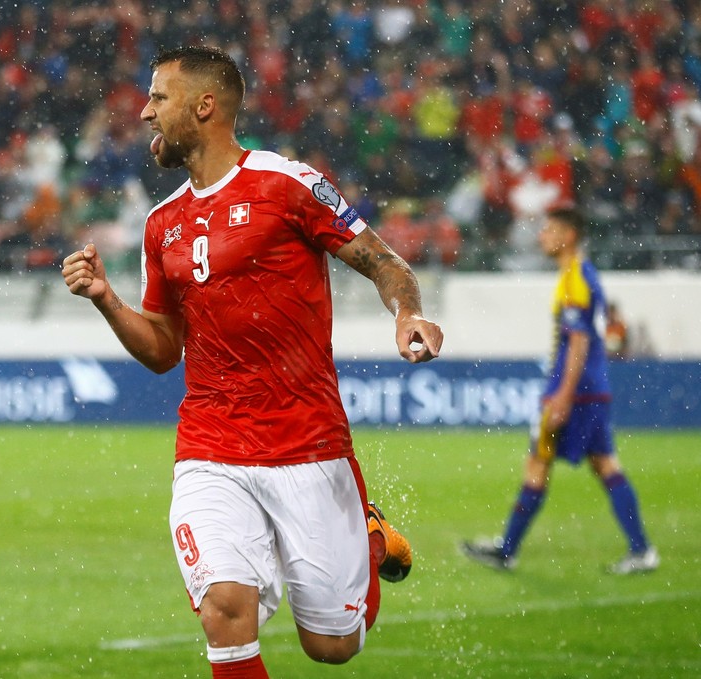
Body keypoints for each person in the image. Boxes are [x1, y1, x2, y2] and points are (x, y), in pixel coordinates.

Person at [61, 46, 443, 677]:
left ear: (203, 106)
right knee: (224, 609)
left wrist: (406, 314)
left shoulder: (287, 185)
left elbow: (384, 263)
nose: (145, 112)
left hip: (308, 444)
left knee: (333, 647)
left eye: (159, 98)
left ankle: (367, 534)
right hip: (211, 445)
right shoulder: (163, 226)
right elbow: (162, 348)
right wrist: (106, 300)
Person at [462, 207, 657, 574]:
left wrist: (564, 395)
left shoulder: (577, 279)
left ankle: (507, 551)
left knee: (541, 462)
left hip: (576, 392)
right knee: (601, 465)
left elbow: (579, 342)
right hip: (589, 389)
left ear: (568, 235)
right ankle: (641, 550)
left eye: (549, 230)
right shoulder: (579, 274)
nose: (542, 237)